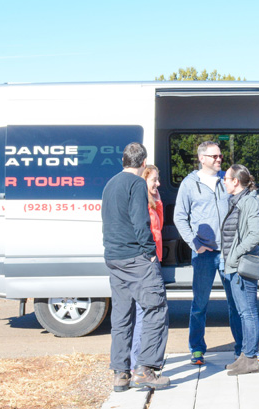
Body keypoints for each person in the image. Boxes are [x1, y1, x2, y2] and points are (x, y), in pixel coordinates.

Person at [101, 143, 170, 391]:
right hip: (136, 258)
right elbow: (140, 222)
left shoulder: (110, 184)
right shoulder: (137, 184)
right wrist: (150, 253)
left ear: (123, 161)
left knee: (121, 316)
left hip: (114, 258)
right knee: (156, 308)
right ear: (143, 163)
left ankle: (120, 374)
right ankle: (145, 370)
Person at [173, 141, 243, 366]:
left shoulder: (228, 179)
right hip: (204, 253)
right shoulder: (189, 184)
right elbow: (179, 217)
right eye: (214, 156)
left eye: (220, 156)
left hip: (228, 252)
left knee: (235, 303)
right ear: (202, 158)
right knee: (200, 304)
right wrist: (195, 243)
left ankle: (241, 349)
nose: (219, 159)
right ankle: (196, 349)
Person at [221, 164, 259, 375]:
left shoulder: (250, 202)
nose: (224, 182)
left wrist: (235, 254)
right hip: (233, 265)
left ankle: (250, 358)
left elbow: (255, 234)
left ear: (236, 181)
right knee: (242, 312)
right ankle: (244, 356)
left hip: (242, 266)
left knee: (248, 313)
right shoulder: (236, 200)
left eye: (226, 179)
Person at [127, 165, 164, 372]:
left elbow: (159, 227)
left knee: (146, 312)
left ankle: (140, 361)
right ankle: (137, 364)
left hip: (153, 258)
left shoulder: (151, 201)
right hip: (146, 261)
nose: (158, 183)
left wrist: (157, 200)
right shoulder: (140, 204)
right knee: (145, 313)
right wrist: (150, 255)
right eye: (154, 180)